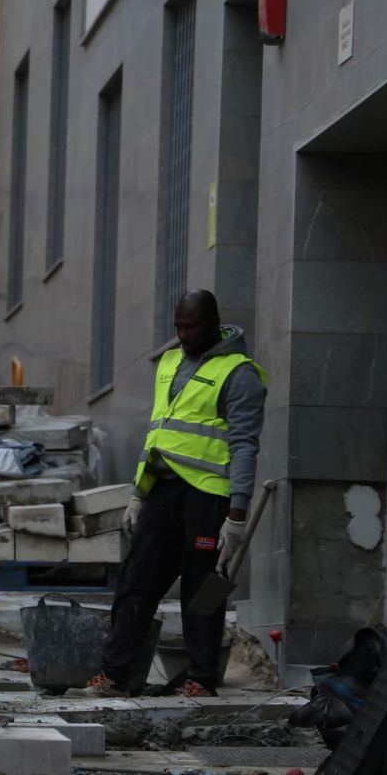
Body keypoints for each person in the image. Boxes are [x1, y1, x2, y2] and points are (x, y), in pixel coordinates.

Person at [87, 289, 266, 698]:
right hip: (163, 491)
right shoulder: (169, 363)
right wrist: (138, 493)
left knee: (205, 590)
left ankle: (202, 678)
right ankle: (116, 674)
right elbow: (159, 434)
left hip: (210, 497)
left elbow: (244, 445)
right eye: (178, 326)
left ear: (214, 321)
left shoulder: (241, 374)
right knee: (135, 580)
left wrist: (237, 515)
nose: (182, 335)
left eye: (191, 326)